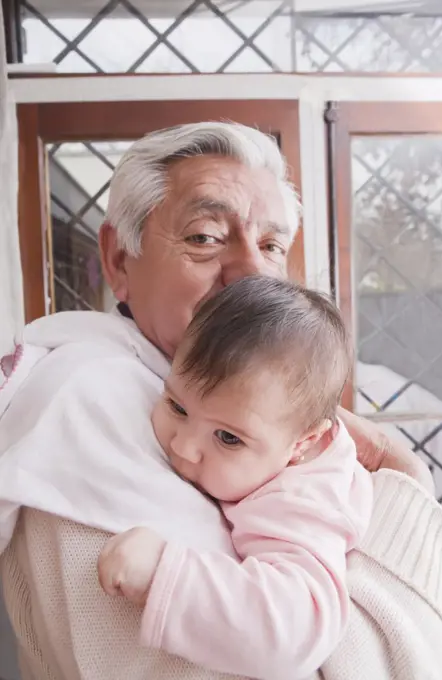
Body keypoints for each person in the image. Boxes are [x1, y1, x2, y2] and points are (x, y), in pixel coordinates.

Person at [0, 122, 442, 680]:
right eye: (205, 236)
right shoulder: (91, 398)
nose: (251, 273)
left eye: (270, 245)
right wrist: (405, 493)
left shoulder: (271, 432)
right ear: (118, 260)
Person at [98, 276, 373, 678]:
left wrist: (164, 574)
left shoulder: (299, 502)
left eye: (228, 438)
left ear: (302, 443)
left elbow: (292, 632)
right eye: (176, 405)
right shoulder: (265, 437)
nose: (183, 447)